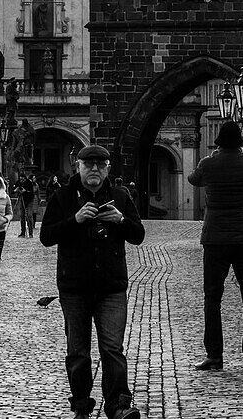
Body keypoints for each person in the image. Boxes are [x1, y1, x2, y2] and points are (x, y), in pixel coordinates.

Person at [40, 144, 145, 419]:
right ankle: (81, 407)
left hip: (111, 286)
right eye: (89, 165)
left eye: (100, 164)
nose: (95, 169)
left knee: (112, 349)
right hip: (74, 286)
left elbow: (138, 235)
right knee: (78, 351)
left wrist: (121, 220)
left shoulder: (121, 197)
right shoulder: (63, 197)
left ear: (108, 168)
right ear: (78, 167)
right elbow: (46, 236)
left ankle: (118, 406)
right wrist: (75, 220)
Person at [186, 120, 243, 372]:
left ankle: (214, 356)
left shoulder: (209, 163)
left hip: (215, 238)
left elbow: (194, 179)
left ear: (218, 142)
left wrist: (213, 157)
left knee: (212, 298)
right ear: (241, 142)